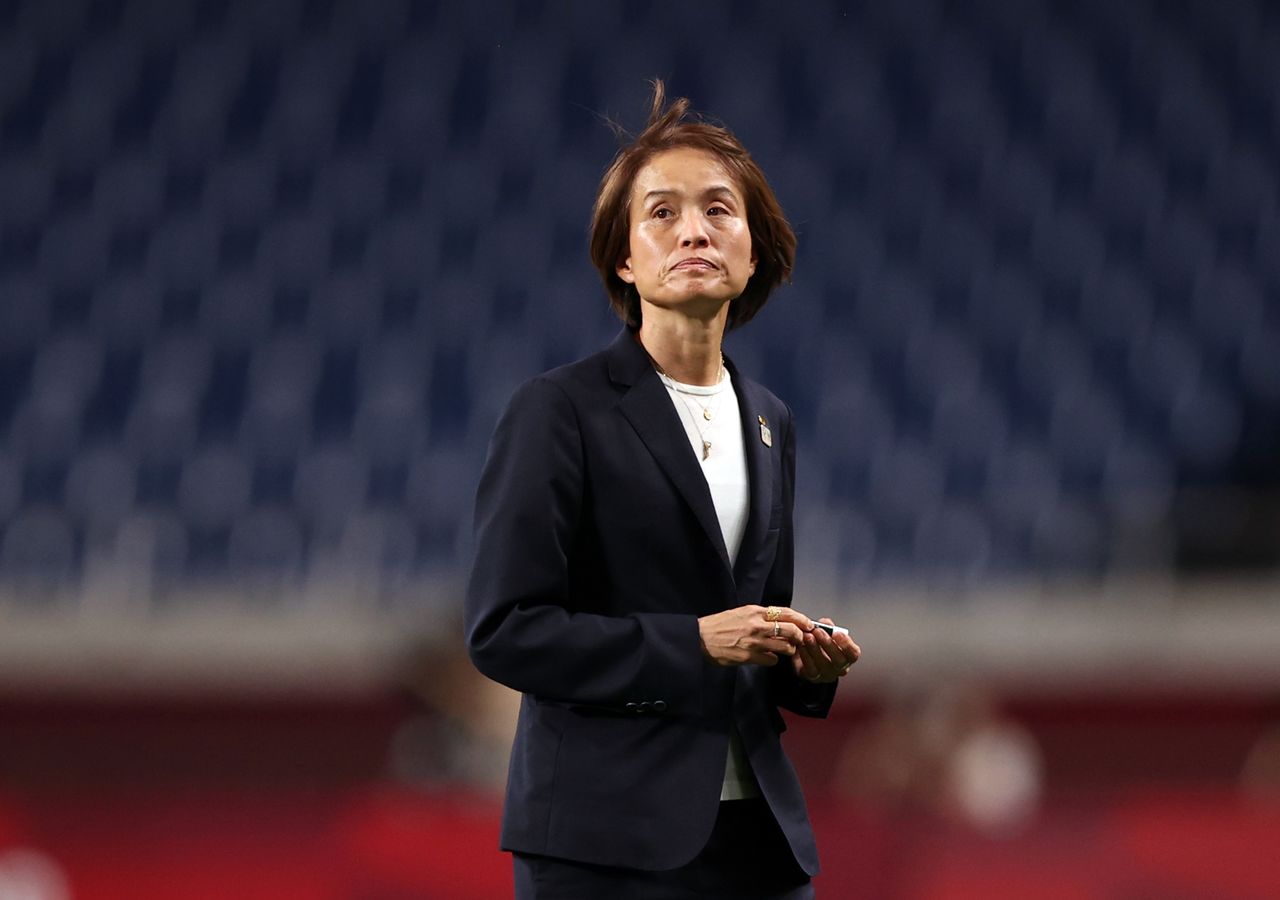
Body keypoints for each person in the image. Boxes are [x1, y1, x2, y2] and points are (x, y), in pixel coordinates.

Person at [465, 80, 861, 899]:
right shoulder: (558, 411)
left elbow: (747, 630)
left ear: (754, 250)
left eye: (720, 210)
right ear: (623, 256)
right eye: (662, 213)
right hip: (604, 843)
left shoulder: (770, 420)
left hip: (757, 840)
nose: (694, 231)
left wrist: (805, 666)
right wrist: (695, 643)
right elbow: (505, 631)